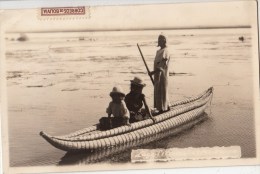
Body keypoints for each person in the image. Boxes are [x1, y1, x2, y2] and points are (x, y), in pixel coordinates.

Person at [149, 34, 170, 113]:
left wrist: (152, 73)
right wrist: (153, 73)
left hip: (162, 76)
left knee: (162, 92)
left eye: (161, 40)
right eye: (159, 40)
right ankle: (159, 109)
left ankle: (164, 109)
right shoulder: (158, 51)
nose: (159, 41)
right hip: (157, 76)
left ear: (164, 41)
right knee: (157, 92)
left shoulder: (166, 51)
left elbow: (162, 67)